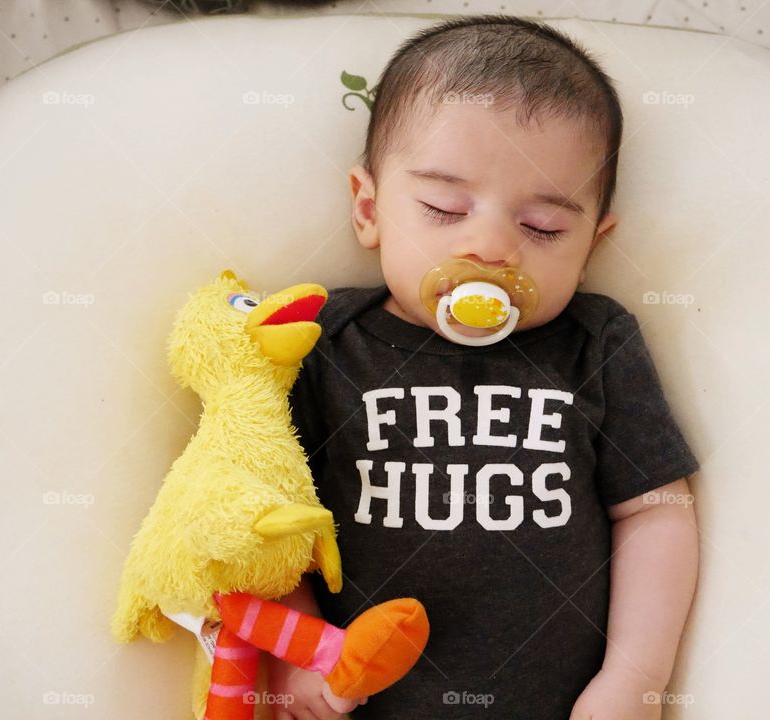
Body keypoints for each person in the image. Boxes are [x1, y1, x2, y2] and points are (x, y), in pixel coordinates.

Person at [267, 13, 700, 720]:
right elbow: (263, 518)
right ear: (369, 207)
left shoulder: (596, 343)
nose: (492, 246)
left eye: (543, 228)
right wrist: (298, 652)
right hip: (355, 699)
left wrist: (635, 678)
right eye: (443, 207)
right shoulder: (320, 343)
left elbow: (658, 514)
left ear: (591, 244)